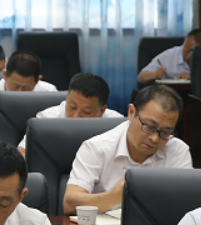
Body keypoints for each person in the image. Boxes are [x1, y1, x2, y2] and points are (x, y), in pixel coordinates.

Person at [62, 86, 190, 215]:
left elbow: (185, 205)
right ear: (131, 112)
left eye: (166, 132)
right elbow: (69, 204)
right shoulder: (97, 148)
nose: (155, 138)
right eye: (149, 127)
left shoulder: (178, 151)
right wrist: (112, 197)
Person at [18, 73, 123, 155]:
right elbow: (22, 151)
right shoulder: (46, 119)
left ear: (102, 111)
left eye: (86, 112)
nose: (76, 116)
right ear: (67, 98)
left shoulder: (117, 125)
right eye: (72, 107)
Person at [137, 29, 201, 84]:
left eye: (194, 52)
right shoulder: (169, 55)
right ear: (184, 41)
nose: (189, 56)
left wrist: (193, 77)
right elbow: (141, 77)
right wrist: (155, 74)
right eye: (187, 48)